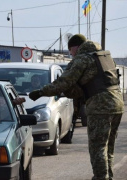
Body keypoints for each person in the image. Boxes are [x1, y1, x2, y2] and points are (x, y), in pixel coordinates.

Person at [29, 34, 124, 180]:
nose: (71, 54)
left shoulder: (82, 59)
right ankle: (107, 176)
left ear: (76, 47)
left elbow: (64, 81)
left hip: (100, 107)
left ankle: (101, 177)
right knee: (108, 146)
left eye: (70, 50)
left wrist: (42, 92)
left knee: (97, 147)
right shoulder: (102, 56)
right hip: (117, 104)